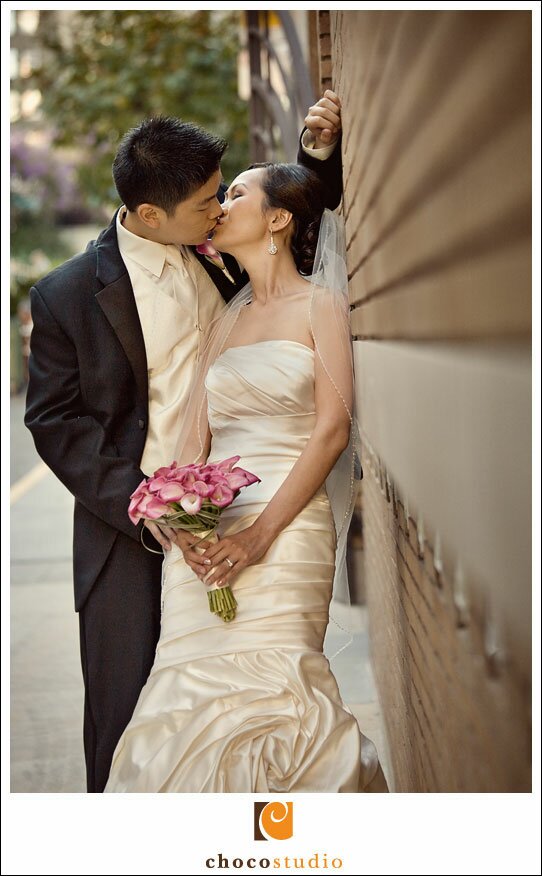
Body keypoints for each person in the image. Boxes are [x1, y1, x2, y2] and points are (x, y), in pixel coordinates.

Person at [24, 94, 346, 793]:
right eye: (206, 202)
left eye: (222, 196)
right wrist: (144, 507)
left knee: (247, 710)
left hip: (248, 512)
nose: (219, 211)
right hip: (128, 532)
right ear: (148, 216)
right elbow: (54, 421)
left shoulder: (223, 255)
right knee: (137, 731)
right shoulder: (65, 295)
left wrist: (319, 158)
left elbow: (298, 235)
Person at [104, 161, 387, 792]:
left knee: (278, 693)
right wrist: (176, 521)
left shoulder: (323, 306)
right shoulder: (222, 321)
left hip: (286, 531)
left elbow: (330, 432)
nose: (220, 205)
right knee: (182, 697)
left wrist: (258, 536)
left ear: (279, 219)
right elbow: (191, 442)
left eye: (234, 194)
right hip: (206, 545)